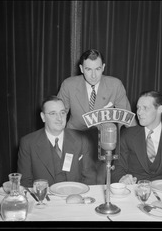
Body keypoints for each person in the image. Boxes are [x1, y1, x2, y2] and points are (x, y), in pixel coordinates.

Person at [57, 49, 136, 184]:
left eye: (98, 69)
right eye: (88, 69)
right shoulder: (68, 85)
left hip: (103, 141)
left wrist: (139, 144)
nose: (93, 75)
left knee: (100, 183)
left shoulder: (115, 85)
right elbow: (58, 115)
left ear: (103, 67)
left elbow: (128, 119)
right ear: (81, 68)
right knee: (71, 181)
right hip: (75, 137)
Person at [17, 95, 97, 187]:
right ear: (43, 117)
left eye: (62, 112)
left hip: (75, 196)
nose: (59, 118)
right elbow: (25, 182)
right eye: (53, 113)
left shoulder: (81, 139)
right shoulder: (28, 143)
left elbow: (90, 177)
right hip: (45, 198)